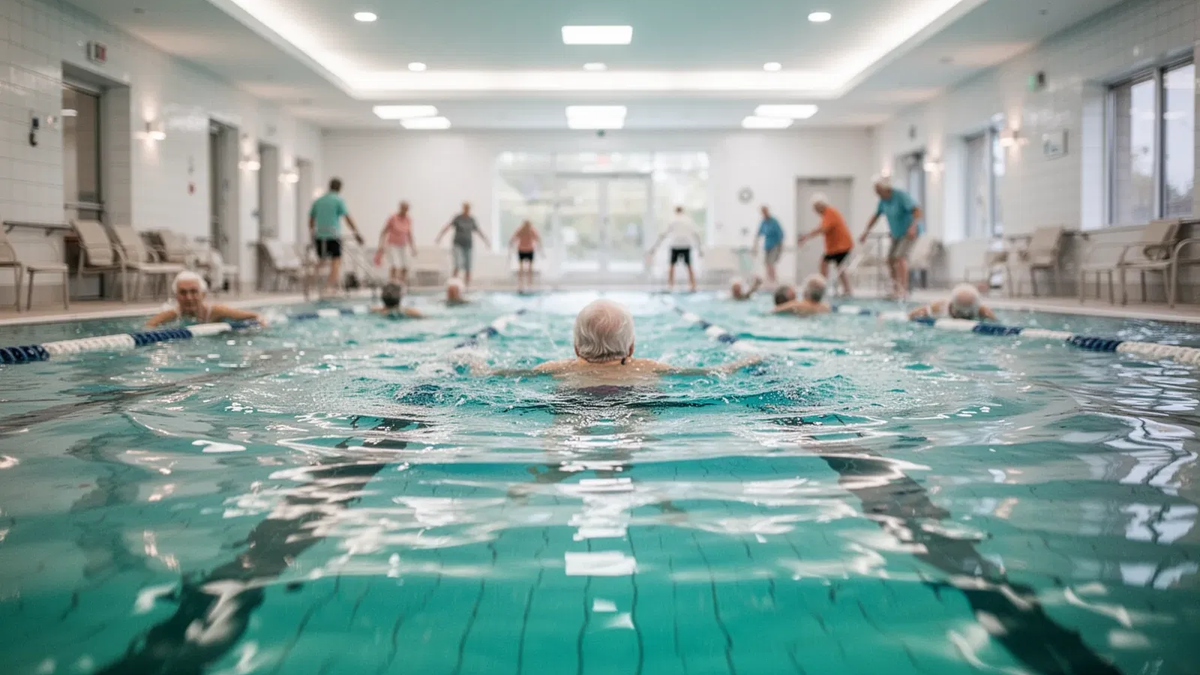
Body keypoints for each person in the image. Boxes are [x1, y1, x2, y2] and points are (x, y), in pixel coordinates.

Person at [482, 299, 759, 385]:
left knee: (562, 433)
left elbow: (505, 374)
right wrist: (741, 362)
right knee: (637, 437)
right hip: (632, 396)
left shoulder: (560, 367)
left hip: (577, 396)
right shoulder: (647, 367)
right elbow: (704, 373)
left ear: (576, 347)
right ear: (631, 346)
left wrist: (474, 365)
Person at [860, 176, 922, 299]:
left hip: (909, 232)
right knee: (889, 259)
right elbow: (875, 217)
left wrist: (913, 227)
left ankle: (903, 290)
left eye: (877, 189)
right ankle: (896, 288)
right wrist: (865, 232)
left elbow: (917, 210)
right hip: (896, 234)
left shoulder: (900, 196)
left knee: (900, 257)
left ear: (884, 188)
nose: (875, 191)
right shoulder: (882, 201)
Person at [145, 271, 264, 328]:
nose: (189, 297)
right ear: (176, 296)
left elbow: (254, 316)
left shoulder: (217, 311)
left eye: (193, 291)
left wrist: (261, 321)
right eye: (183, 292)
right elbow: (149, 326)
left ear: (203, 294)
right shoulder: (172, 314)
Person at [309, 178, 365, 296]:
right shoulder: (338, 200)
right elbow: (347, 218)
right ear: (340, 188)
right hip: (333, 235)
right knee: (336, 261)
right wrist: (357, 233)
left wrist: (312, 233)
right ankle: (329, 287)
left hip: (320, 235)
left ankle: (311, 285)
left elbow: (311, 219)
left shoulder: (318, 201)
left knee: (321, 260)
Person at [797, 194, 854, 297]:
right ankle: (845, 289)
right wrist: (806, 237)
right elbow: (822, 227)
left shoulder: (830, 212)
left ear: (820, 205)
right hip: (836, 247)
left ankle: (823, 287)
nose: (814, 210)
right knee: (837, 267)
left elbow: (823, 229)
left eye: (815, 207)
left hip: (841, 246)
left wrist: (806, 237)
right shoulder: (827, 214)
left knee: (828, 264)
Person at [647, 206, 702, 292]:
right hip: (685, 245)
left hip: (676, 245)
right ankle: (693, 285)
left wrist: (654, 247)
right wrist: (699, 249)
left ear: (676, 212)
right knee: (689, 266)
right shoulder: (688, 221)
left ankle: (670, 285)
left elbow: (663, 234)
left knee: (672, 266)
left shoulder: (673, 220)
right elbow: (696, 234)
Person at [436, 202, 490, 287]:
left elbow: (478, 231)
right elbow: (448, 226)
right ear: (463, 208)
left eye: (468, 208)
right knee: (457, 264)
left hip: (468, 245)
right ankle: (453, 284)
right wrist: (439, 236)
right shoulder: (458, 218)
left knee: (468, 266)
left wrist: (486, 241)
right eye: (466, 208)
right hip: (457, 244)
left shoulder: (471, 219)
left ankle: (467, 286)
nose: (467, 210)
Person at [377, 201, 417, 285]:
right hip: (392, 245)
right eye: (404, 209)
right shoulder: (393, 218)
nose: (405, 211)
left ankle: (402, 284)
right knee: (394, 265)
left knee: (405, 265)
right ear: (400, 208)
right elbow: (383, 232)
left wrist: (413, 248)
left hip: (403, 245)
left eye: (407, 209)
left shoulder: (408, 219)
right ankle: (392, 284)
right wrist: (381, 245)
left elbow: (409, 234)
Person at [909, 283, 997, 321]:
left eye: (968, 315)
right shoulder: (939, 307)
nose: (964, 317)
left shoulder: (983, 311)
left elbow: (996, 323)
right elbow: (911, 316)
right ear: (951, 305)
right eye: (960, 313)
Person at [509, 220, 542, 293]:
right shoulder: (523, 230)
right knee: (524, 269)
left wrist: (540, 248)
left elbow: (538, 239)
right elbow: (513, 238)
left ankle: (528, 284)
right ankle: (522, 285)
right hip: (524, 250)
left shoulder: (529, 230)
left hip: (527, 250)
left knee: (527, 269)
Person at [755, 206, 785, 285]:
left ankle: (774, 280)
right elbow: (758, 234)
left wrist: (780, 247)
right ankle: (768, 280)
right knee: (766, 263)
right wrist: (755, 246)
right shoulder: (763, 222)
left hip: (775, 245)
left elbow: (781, 234)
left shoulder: (774, 221)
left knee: (771, 263)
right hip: (767, 246)